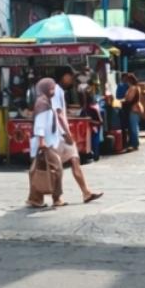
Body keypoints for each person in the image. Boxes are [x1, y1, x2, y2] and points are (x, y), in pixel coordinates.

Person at [51, 70, 102, 201]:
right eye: (69, 76)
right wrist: (67, 133)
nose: (71, 79)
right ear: (63, 75)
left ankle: (86, 192)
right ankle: (56, 197)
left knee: (75, 160)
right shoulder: (56, 90)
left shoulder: (61, 91)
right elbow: (58, 113)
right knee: (57, 167)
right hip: (59, 134)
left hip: (63, 133)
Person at [27, 78, 64, 209]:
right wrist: (42, 142)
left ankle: (35, 198)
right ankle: (56, 198)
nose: (53, 90)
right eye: (51, 88)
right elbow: (40, 125)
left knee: (37, 170)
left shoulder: (46, 101)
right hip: (45, 144)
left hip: (47, 143)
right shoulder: (42, 103)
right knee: (57, 169)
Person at [118, 72, 144, 151]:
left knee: (133, 127)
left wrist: (122, 101)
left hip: (134, 109)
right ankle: (134, 143)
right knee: (135, 126)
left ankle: (134, 144)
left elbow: (129, 99)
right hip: (136, 108)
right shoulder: (136, 87)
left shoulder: (133, 88)